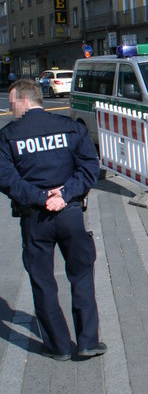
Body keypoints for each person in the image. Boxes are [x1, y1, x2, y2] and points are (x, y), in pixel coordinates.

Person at [0, 79, 106, 360]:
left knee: (43, 282)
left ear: (23, 101)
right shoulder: (70, 128)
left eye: (12, 105)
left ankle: (58, 346)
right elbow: (89, 167)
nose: (11, 111)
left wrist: (40, 197)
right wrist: (64, 194)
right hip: (70, 213)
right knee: (82, 275)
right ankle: (87, 342)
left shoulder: (8, 137)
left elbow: (7, 180)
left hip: (35, 220)